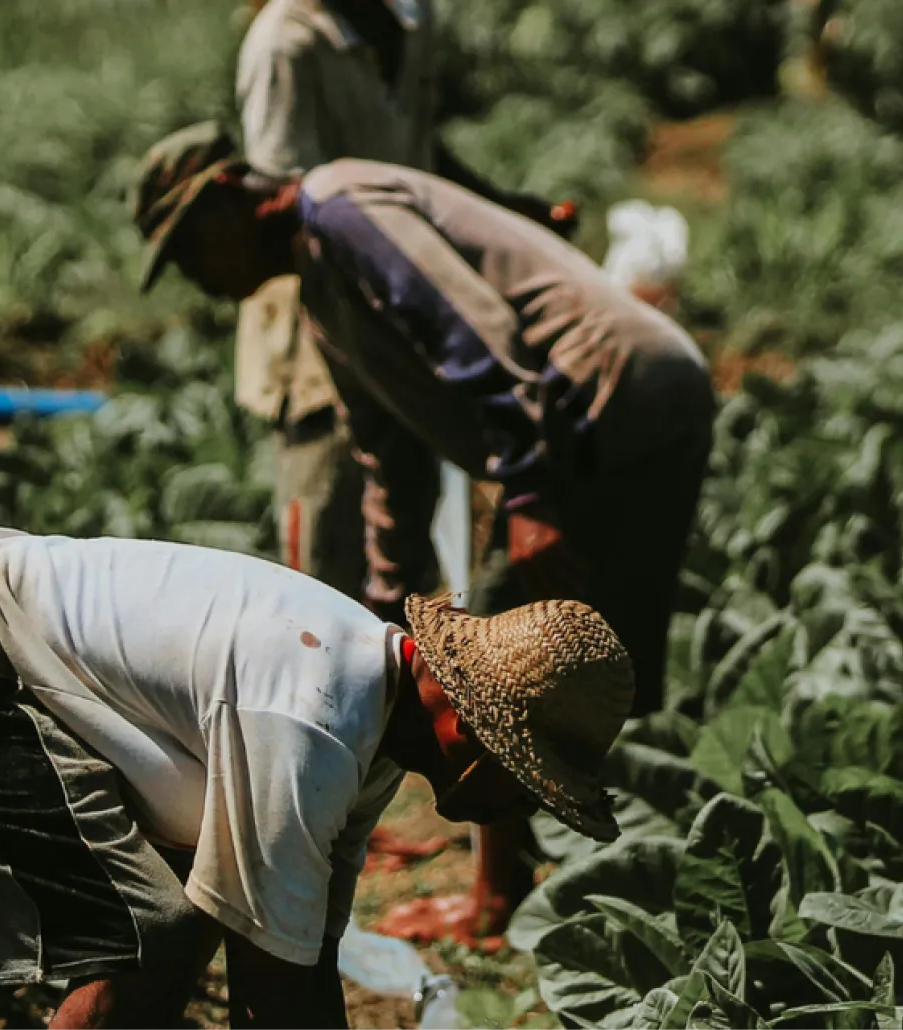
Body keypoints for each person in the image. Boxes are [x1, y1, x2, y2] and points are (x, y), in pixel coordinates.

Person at [128, 125, 716, 943]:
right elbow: (387, 450)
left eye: (188, 247)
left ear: (229, 198)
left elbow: (473, 332)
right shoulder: (321, 286)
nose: (196, 277)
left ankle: (511, 896)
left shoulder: (342, 207)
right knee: (574, 661)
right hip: (599, 413)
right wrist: (385, 592)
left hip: (608, 403)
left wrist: (530, 492)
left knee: (522, 661)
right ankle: (592, 885)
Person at [0, 521, 634, 1030]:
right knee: (144, 937)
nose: (517, 809)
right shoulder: (315, 718)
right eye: (528, 782)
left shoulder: (372, 706)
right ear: (467, 732)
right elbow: (273, 1000)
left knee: (175, 920)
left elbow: (303, 953)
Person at [232, 0, 578, 602]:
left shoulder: (411, 22)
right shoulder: (285, 46)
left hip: (403, 314)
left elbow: (414, 161)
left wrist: (497, 210)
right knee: (329, 561)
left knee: (406, 535)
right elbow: (281, 210)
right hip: (319, 334)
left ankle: (408, 673)